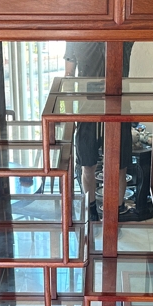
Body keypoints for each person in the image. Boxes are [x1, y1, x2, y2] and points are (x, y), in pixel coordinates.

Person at [64, 42, 135, 221]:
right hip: (87, 108)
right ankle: (92, 211)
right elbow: (69, 74)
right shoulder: (76, 37)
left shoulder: (123, 37)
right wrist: (69, 108)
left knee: (119, 165)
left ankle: (116, 212)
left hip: (119, 106)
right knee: (87, 163)